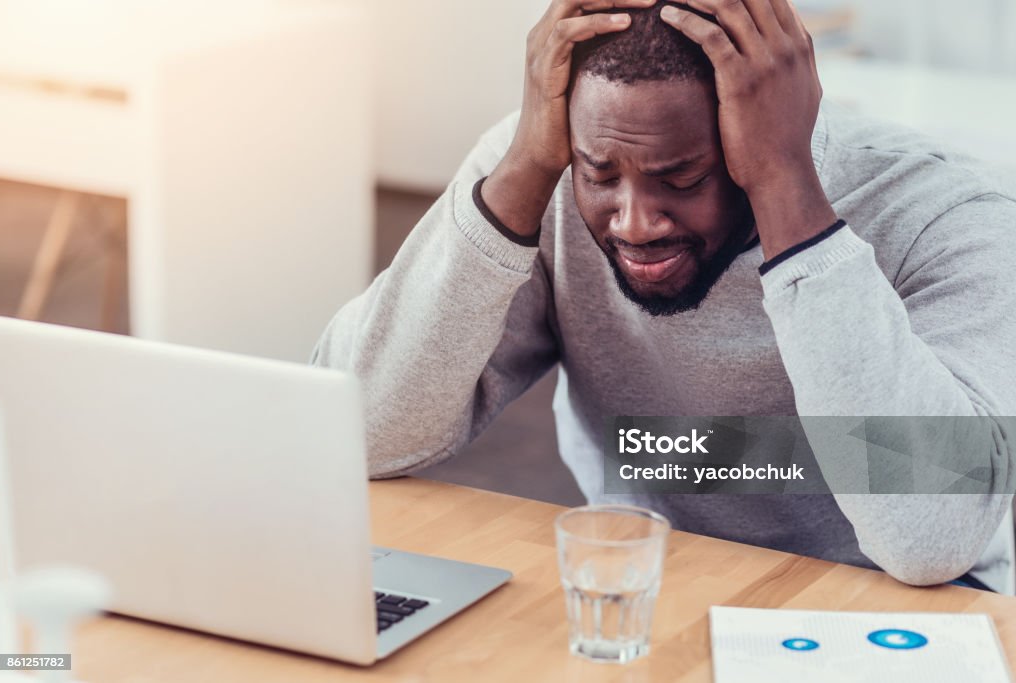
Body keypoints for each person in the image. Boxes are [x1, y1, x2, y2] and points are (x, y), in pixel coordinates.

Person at [312, 0, 1016, 592]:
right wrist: (527, 164)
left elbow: (933, 538)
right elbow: (359, 432)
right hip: (658, 591)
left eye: (682, 180)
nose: (635, 222)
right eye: (602, 174)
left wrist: (784, 188)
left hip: (908, 614)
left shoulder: (947, 214)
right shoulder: (547, 171)